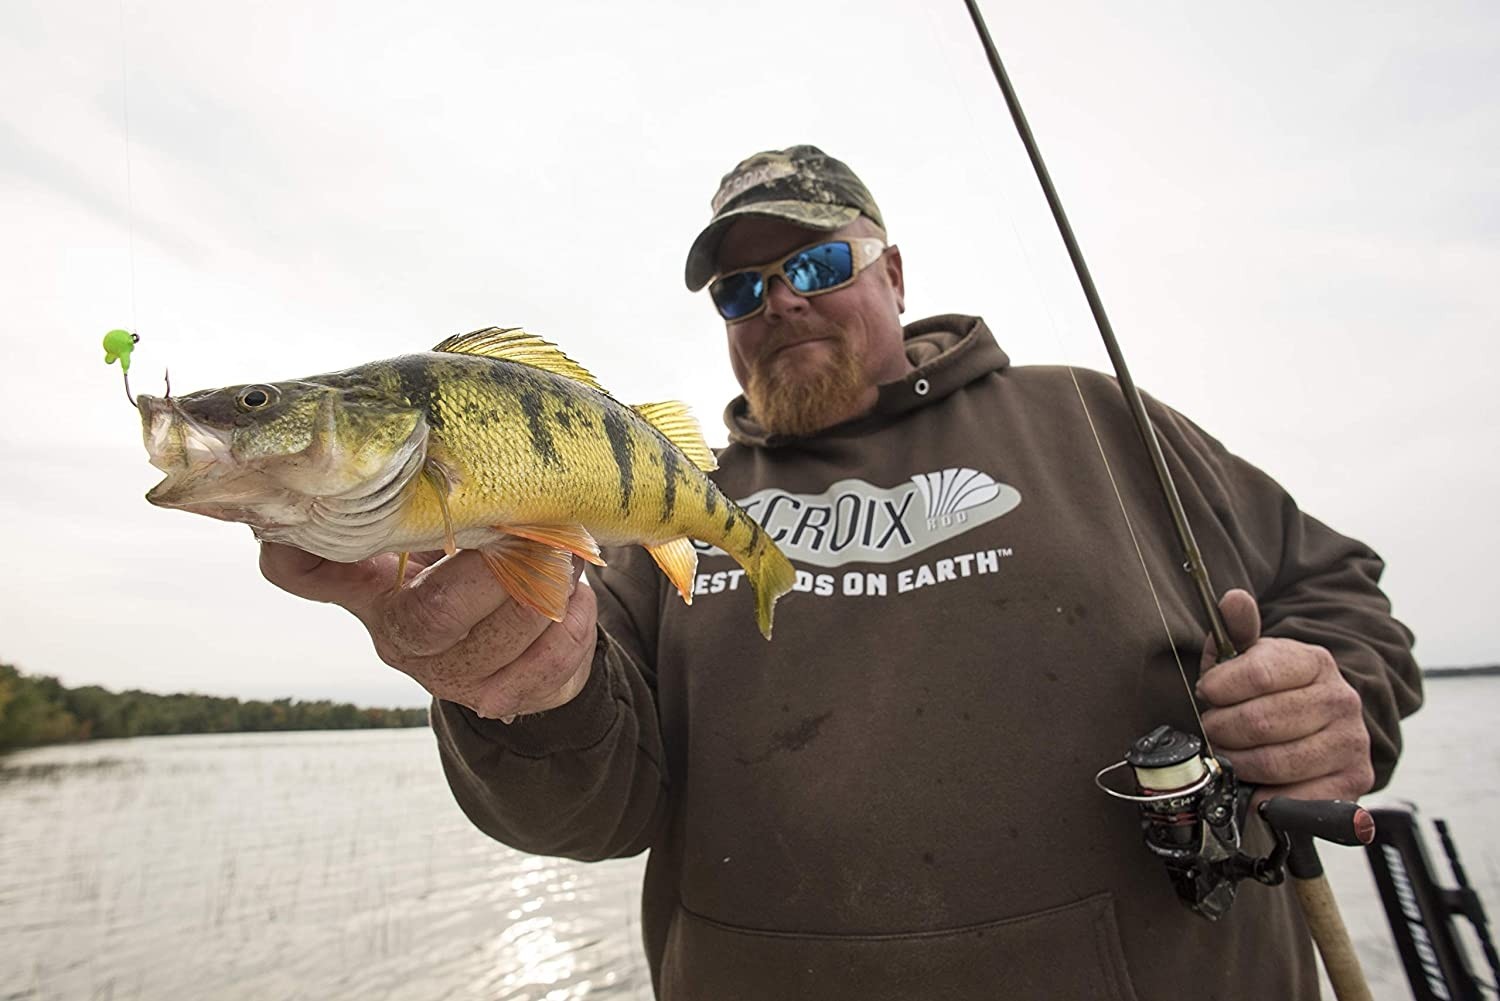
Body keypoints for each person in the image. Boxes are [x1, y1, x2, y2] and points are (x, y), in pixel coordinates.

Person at [261, 145, 1423, 999]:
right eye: (739, 289)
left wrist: (1335, 696)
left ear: (893, 271)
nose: (781, 300)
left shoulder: (1097, 419)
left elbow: (1336, 587)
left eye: (815, 260)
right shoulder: (651, 515)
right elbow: (592, 805)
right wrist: (509, 688)